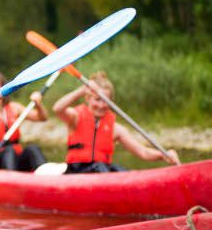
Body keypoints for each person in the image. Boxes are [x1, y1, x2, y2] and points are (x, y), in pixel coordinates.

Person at [52, 71, 180, 173]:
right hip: (76, 171)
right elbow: (57, 108)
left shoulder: (115, 129)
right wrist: (81, 90)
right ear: (87, 99)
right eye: (97, 100)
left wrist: (163, 155)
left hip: (102, 171)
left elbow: (142, 152)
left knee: (122, 172)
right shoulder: (76, 117)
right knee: (101, 167)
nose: (101, 105)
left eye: (105, 101)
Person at [0, 71, 48, 171]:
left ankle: (45, 174)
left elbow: (42, 118)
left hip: (14, 157)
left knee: (32, 148)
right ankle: (12, 179)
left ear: (5, 91)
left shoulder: (15, 108)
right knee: (9, 151)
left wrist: (38, 104)